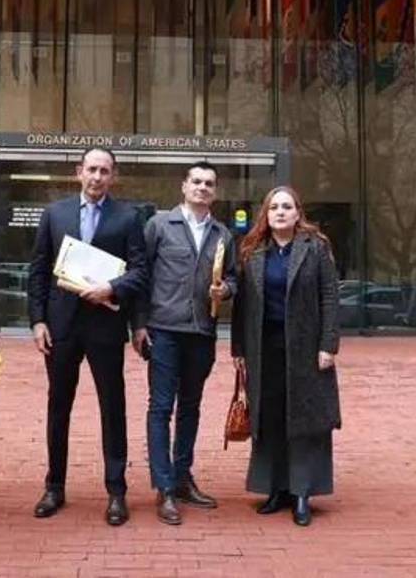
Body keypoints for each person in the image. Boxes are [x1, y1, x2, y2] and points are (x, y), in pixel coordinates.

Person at [27, 146, 147, 526]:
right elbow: (39, 270)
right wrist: (37, 321)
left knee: (112, 407)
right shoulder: (55, 213)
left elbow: (140, 272)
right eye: (91, 169)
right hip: (61, 325)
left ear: (113, 176)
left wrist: (111, 288)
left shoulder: (128, 217)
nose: (97, 177)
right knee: (58, 406)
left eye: (104, 171)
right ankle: (54, 486)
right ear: (79, 171)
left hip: (105, 326)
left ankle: (116, 490)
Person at [131, 161, 238, 525]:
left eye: (209, 183)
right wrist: (139, 325)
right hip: (163, 330)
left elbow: (234, 277)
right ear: (184, 186)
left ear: (215, 191)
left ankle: (181, 477)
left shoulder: (223, 235)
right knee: (161, 408)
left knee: (191, 407)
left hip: (202, 332)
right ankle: (163, 487)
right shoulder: (159, 225)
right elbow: (141, 276)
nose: (202, 187)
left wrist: (226, 290)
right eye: (196, 181)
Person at [230, 186, 341, 527]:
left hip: (306, 348)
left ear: (297, 213)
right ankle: (275, 488)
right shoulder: (252, 251)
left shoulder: (316, 247)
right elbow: (242, 305)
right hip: (264, 348)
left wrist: (328, 345)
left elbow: (329, 297)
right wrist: (239, 349)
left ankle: (302, 491)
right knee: (270, 418)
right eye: (274, 207)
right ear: (266, 214)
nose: (280, 212)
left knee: (305, 419)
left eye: (287, 206)